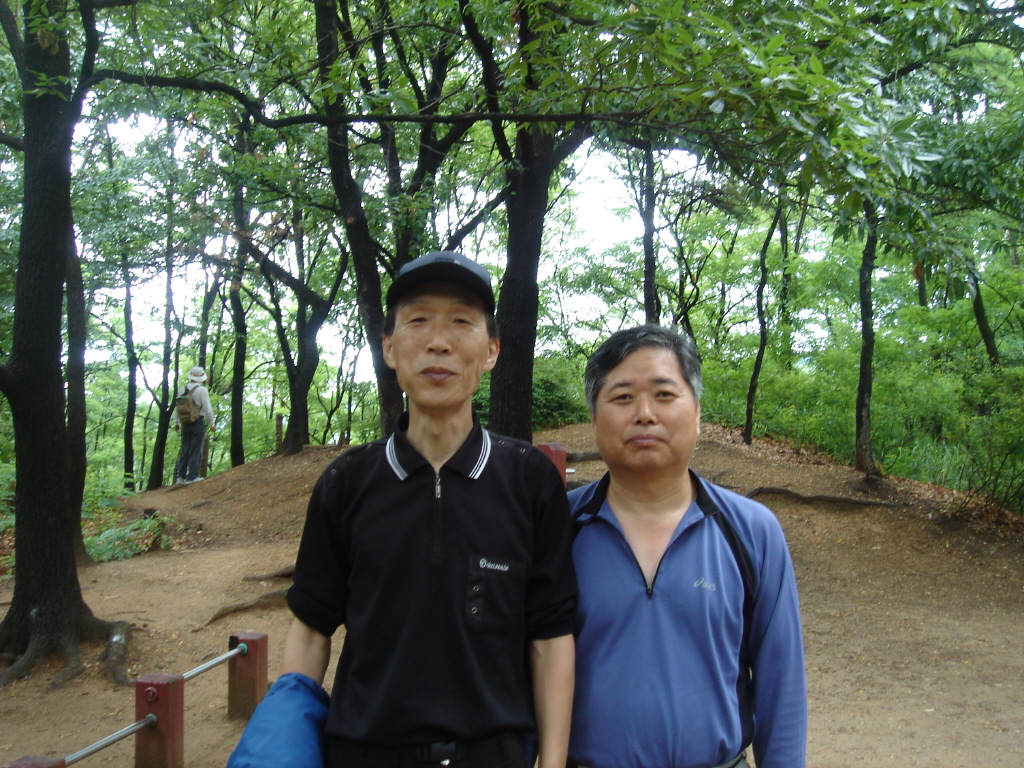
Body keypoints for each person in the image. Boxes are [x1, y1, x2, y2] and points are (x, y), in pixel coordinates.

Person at [278, 251, 577, 768]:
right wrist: (286, 752)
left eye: (461, 321)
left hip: (493, 754)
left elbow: (550, 638)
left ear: (491, 351)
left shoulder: (530, 482)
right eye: (418, 320)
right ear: (389, 348)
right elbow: (310, 630)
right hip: (362, 752)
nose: (439, 342)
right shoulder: (347, 483)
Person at [567, 325, 806, 768]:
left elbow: (782, 684)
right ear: (594, 418)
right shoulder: (559, 529)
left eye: (664, 395)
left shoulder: (751, 531)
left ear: (696, 414)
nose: (644, 414)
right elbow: (524, 670)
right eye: (622, 397)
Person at [171, 365, 215, 484]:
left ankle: (180, 477)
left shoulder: (182, 389)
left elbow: (178, 407)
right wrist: (212, 423)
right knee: (196, 449)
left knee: (184, 449)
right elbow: (207, 408)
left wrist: (176, 422)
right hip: (197, 421)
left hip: (184, 422)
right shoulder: (202, 390)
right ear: (201, 377)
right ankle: (192, 477)